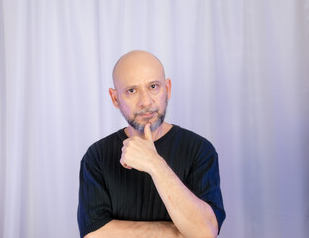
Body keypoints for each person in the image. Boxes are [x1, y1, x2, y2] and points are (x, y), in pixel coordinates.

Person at [77, 50, 225, 238]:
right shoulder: (97, 156)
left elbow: (205, 232)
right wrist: (178, 233)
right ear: (115, 98)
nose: (145, 102)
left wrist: (154, 163)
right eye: (132, 90)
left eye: (153, 87)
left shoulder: (200, 150)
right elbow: (94, 234)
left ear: (168, 89)